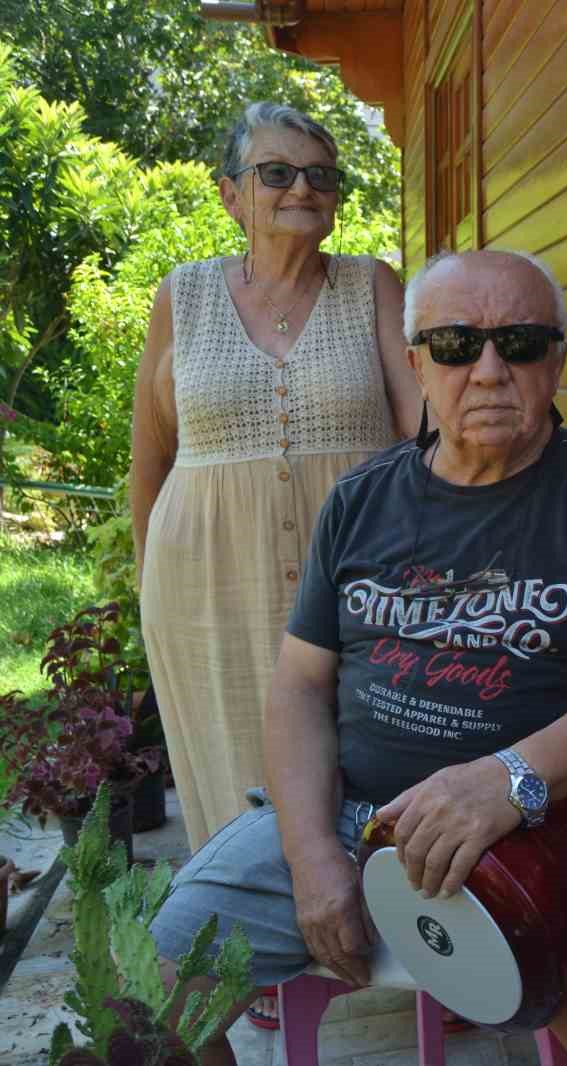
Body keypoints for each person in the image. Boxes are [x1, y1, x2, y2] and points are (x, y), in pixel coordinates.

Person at [148, 249, 567, 1066]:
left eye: (520, 342)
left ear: (557, 361)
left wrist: (505, 781)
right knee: (149, 985)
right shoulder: (362, 500)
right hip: (359, 812)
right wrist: (312, 854)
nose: (487, 370)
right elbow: (299, 686)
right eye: (454, 345)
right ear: (414, 365)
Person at [130, 102, 421, 858]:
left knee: (361, 757)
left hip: (358, 574)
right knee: (229, 770)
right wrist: (145, 579)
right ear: (231, 194)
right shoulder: (183, 295)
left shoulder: (372, 286)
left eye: (321, 174)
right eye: (277, 172)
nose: (302, 188)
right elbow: (151, 454)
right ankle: (242, 956)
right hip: (204, 584)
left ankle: (359, 942)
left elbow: (427, 427)